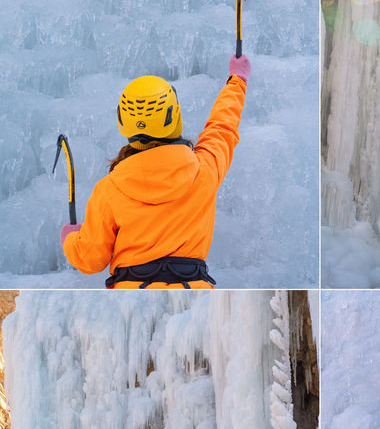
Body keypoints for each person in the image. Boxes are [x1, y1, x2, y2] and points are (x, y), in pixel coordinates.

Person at [60, 55, 250, 288]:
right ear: (174, 115)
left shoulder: (108, 190)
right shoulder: (205, 170)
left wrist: (71, 239)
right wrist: (237, 81)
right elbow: (222, 127)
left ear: (123, 120)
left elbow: (90, 260)